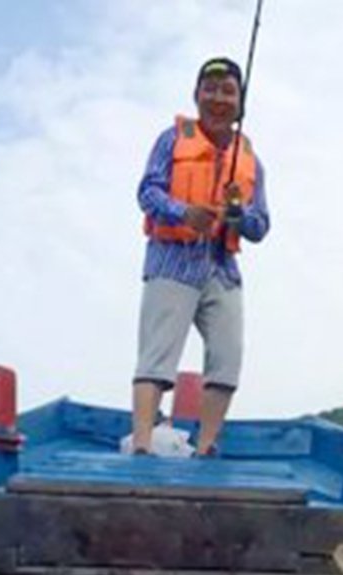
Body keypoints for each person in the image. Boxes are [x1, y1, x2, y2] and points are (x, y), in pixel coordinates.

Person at [132, 57, 270, 456]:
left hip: (222, 269)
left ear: (240, 103)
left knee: (228, 355)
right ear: (196, 96)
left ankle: (206, 446)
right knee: (157, 355)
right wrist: (184, 213)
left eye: (228, 91)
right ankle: (141, 444)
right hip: (172, 260)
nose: (218, 98)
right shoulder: (171, 139)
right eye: (210, 89)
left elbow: (261, 225)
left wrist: (238, 216)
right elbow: (147, 192)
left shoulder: (252, 161)